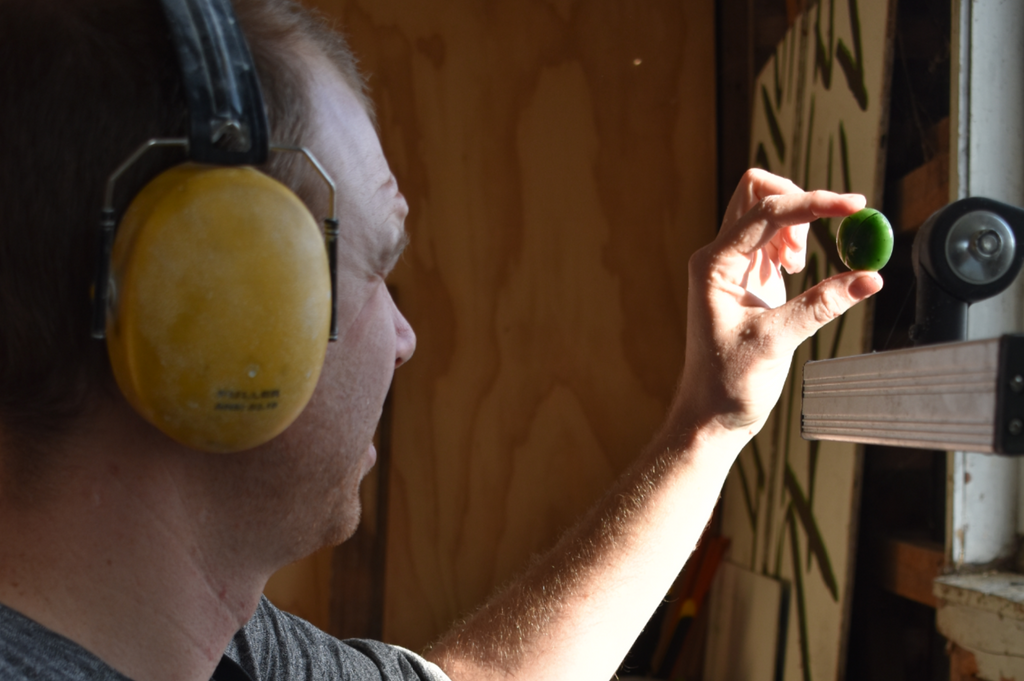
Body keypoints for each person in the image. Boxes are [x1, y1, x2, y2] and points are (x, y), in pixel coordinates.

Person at [0, 0, 883, 679]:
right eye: (376, 265)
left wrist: (710, 422)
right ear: (207, 303)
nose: (404, 337)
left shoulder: (216, 647)